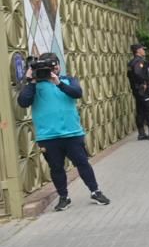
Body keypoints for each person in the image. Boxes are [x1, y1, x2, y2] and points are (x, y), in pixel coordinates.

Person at [18, 54, 111, 211]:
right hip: (48, 136)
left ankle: (95, 191)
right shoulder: (34, 86)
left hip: (72, 133)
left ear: (59, 66)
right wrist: (30, 81)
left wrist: (58, 82)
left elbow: (77, 93)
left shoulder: (68, 80)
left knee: (82, 163)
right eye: (48, 69)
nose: (52, 71)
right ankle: (63, 197)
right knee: (56, 168)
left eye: (54, 67)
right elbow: (23, 102)